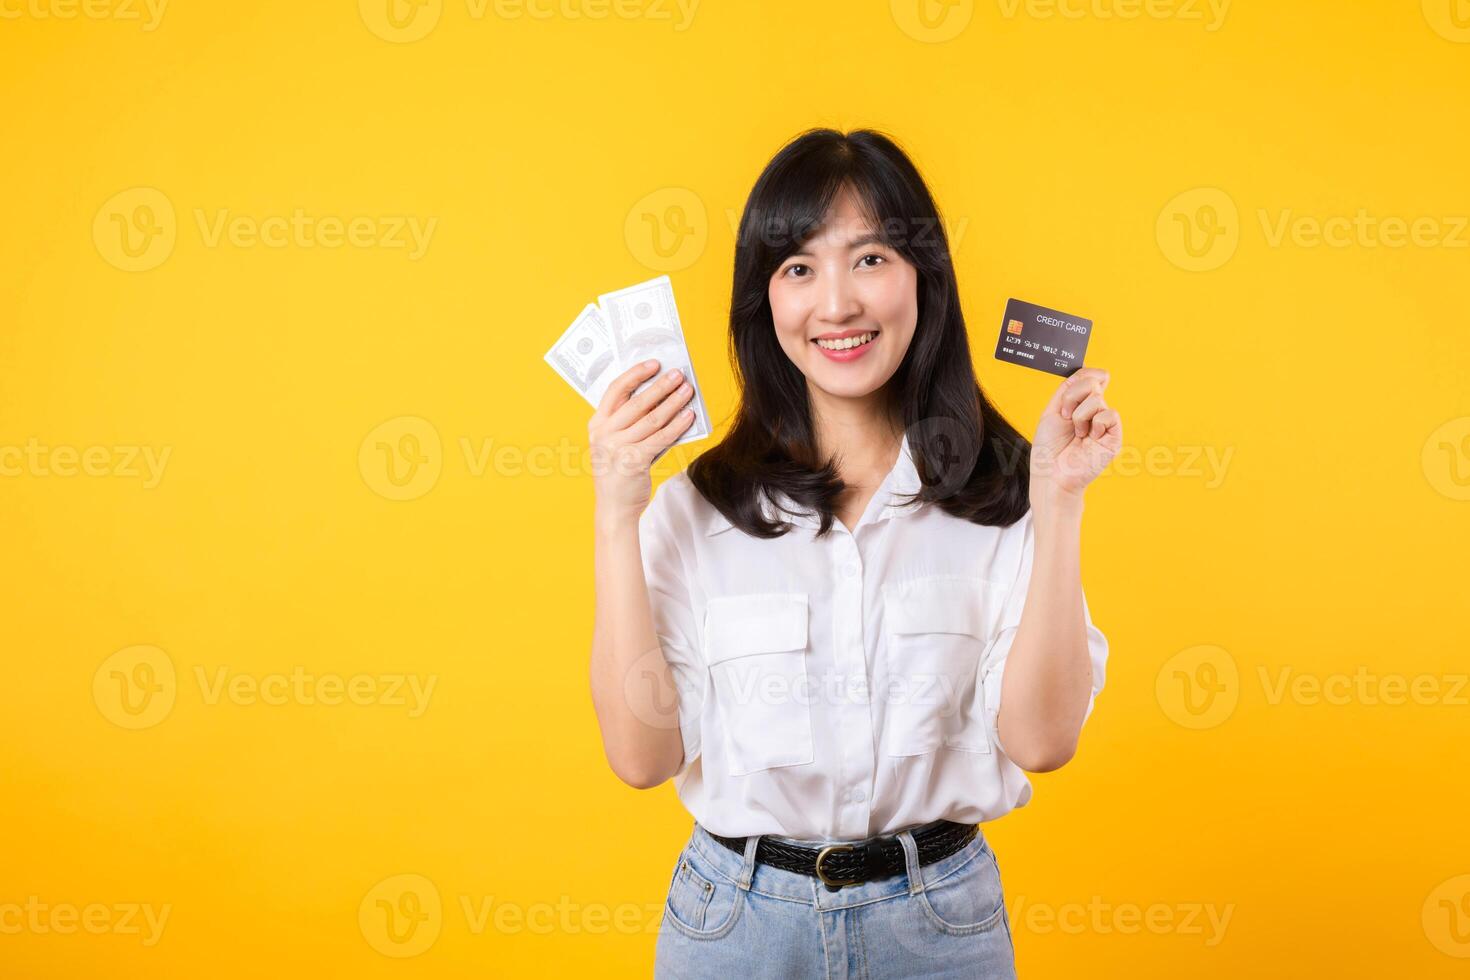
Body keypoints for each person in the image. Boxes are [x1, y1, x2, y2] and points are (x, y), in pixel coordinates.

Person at [587, 128, 1121, 979]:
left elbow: (1042, 741)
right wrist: (618, 511)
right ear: (765, 301)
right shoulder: (694, 512)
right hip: (735, 929)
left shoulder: (1005, 493)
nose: (835, 304)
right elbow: (641, 760)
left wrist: (1058, 501)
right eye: (798, 267)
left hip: (940, 927)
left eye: (869, 258)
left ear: (924, 281)